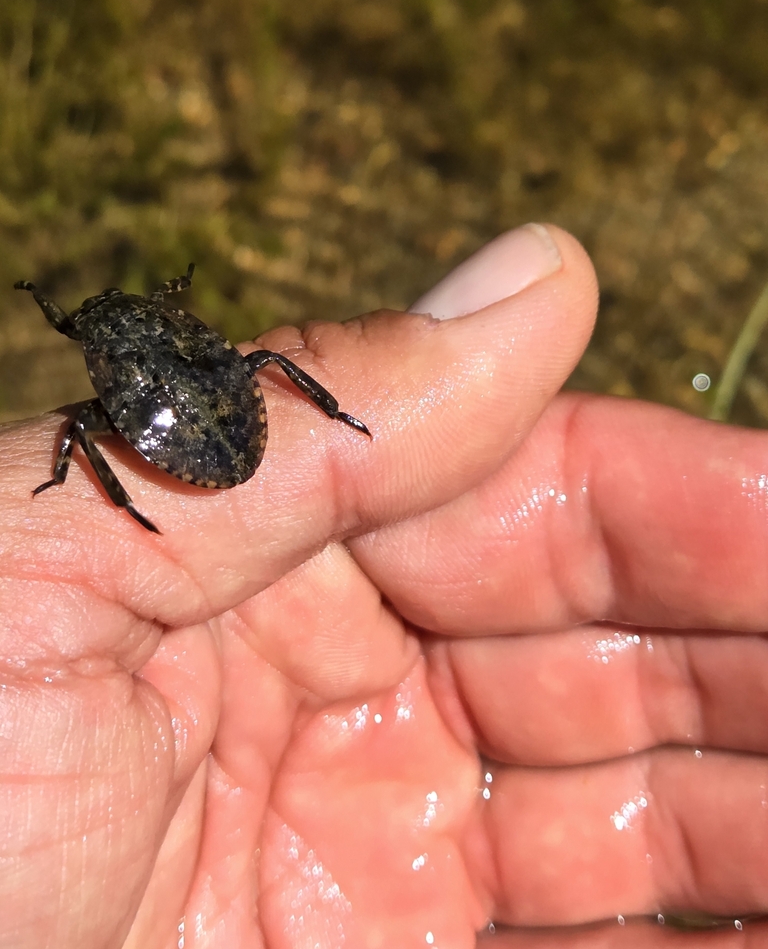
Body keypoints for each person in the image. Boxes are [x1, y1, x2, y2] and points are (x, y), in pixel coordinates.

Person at [2, 224, 766, 949]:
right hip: (219, 416)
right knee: (258, 364)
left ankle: (138, 480)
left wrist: (43, 308)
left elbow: (84, 347)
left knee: (79, 430)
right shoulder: (167, 326)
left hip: (180, 431)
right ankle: (328, 416)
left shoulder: (103, 349)